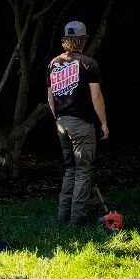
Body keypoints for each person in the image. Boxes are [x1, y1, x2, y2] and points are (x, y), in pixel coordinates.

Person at [48, 19, 108, 226]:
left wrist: (58, 119)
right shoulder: (89, 63)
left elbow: (50, 97)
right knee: (83, 170)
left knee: (70, 169)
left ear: (66, 39)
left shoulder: (53, 64)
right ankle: (77, 221)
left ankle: (62, 217)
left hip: (61, 124)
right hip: (81, 123)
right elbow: (96, 97)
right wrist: (104, 124)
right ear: (83, 40)